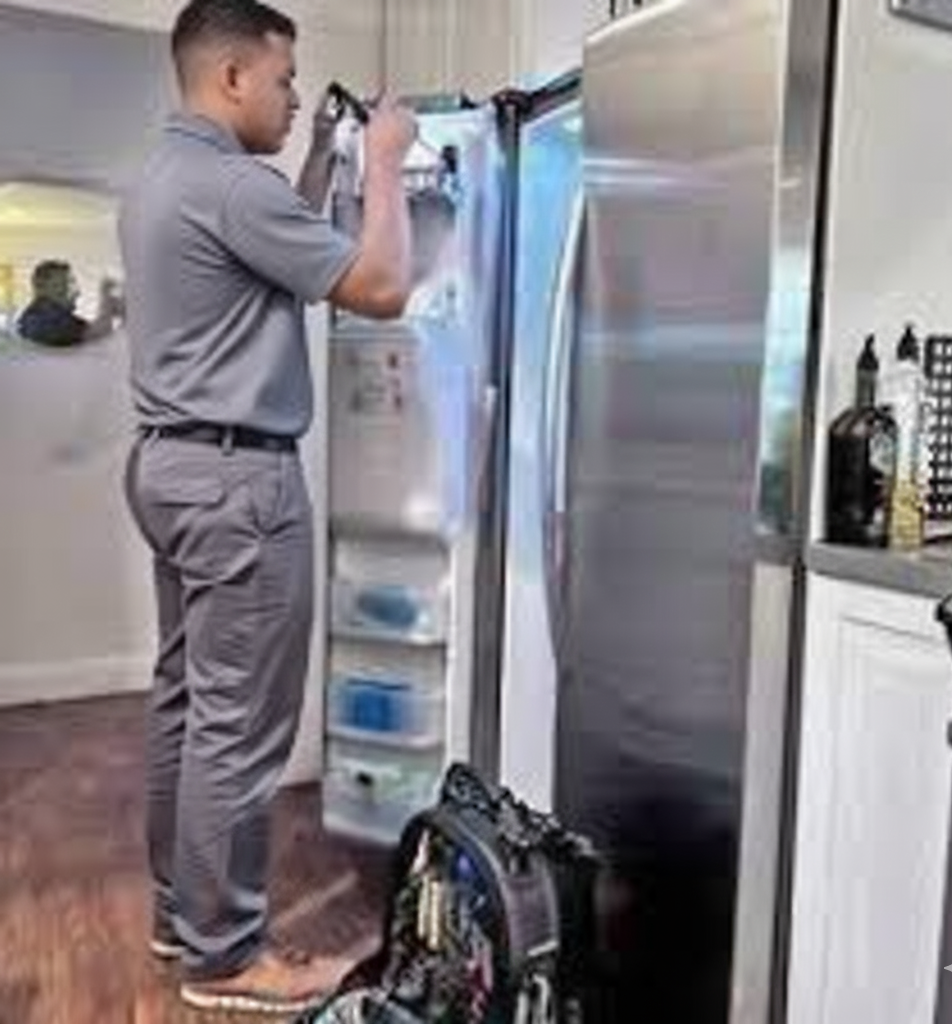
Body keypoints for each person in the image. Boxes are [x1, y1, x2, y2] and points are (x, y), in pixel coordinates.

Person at [118, 0, 415, 1013]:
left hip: (172, 467)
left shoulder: (172, 177)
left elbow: (274, 251)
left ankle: (180, 916)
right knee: (238, 730)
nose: (295, 99)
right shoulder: (228, 185)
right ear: (233, 77)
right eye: (286, 83)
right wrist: (383, 157)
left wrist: (325, 153)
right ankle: (225, 956)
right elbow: (378, 283)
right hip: (241, 484)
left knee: (193, 707)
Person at [17, 260, 120, 346]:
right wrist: (107, 301)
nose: (76, 293)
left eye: (70, 284)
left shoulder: (55, 316)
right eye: (63, 285)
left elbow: (97, 331)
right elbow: (97, 335)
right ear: (42, 289)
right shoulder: (39, 320)